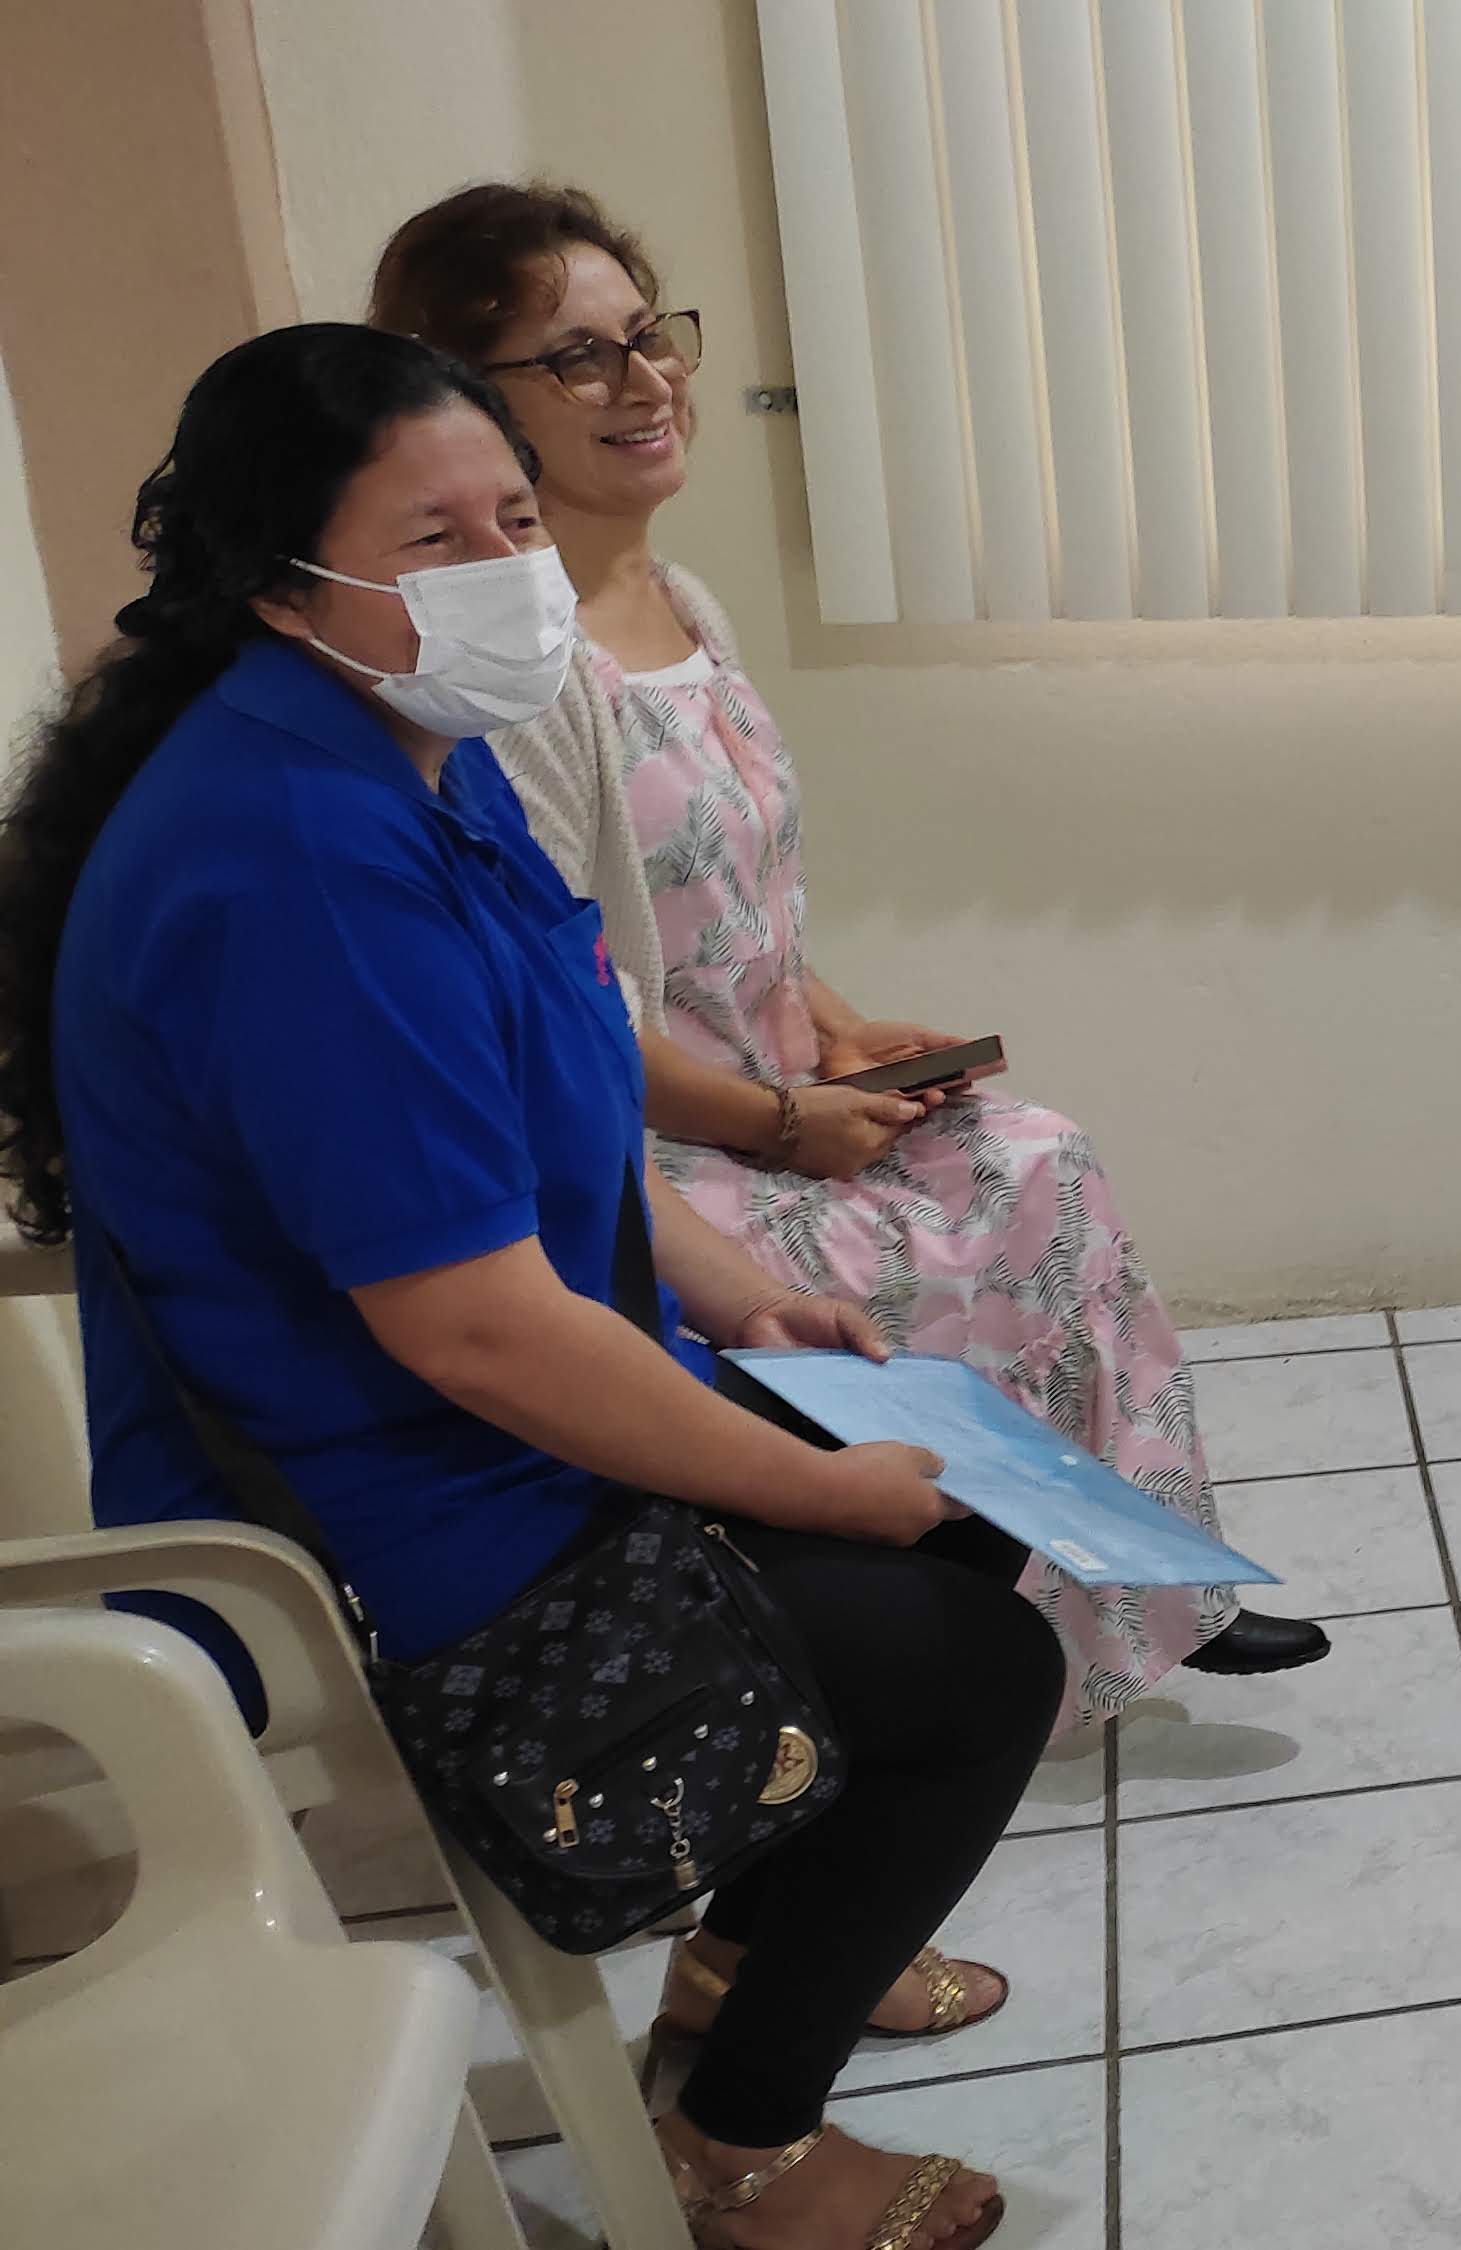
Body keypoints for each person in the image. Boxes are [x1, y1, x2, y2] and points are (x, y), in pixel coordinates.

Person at [0, 324, 1051, 2250]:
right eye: (436, 538)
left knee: (967, 1515)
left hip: (499, 1402)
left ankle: (744, 1966)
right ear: (277, 586)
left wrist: (738, 1302)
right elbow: (466, 1325)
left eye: (511, 518)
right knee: (978, 1674)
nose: (507, 570)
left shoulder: (409, 752)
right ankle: (741, 2153)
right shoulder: (296, 859)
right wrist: (810, 1486)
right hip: (371, 1511)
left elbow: (566, 1068)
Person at [366, 182, 1327, 1713]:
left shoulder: (683, 603)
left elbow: (741, 898)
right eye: (580, 358)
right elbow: (560, 1015)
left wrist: (840, 1027)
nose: (644, 382)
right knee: (935, 1246)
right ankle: (955, 1643)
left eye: (649, 338)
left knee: (1037, 1159)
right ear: (472, 407)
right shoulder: (522, 677)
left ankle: (1132, 1588)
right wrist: (776, 1120)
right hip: (653, 1154)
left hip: (775, 1099)